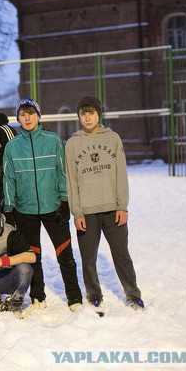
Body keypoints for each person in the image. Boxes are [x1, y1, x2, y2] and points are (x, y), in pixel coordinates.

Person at [3, 98, 83, 311]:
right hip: (25, 210)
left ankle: (74, 297)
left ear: (39, 116)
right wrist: (9, 208)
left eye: (31, 113)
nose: (27, 117)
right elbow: (8, 179)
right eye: (23, 114)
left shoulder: (53, 140)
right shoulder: (12, 146)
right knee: (33, 256)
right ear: (18, 118)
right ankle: (38, 296)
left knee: (65, 255)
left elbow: (62, 173)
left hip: (53, 207)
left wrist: (64, 200)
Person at [65, 96, 144, 311]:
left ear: (99, 114)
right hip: (87, 212)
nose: (87, 117)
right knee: (88, 257)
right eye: (83, 113)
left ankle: (133, 293)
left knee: (121, 254)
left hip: (113, 210)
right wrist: (77, 212)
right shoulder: (72, 143)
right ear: (79, 116)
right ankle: (93, 293)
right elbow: (71, 180)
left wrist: (122, 205)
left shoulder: (113, 138)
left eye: (91, 112)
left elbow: (121, 174)